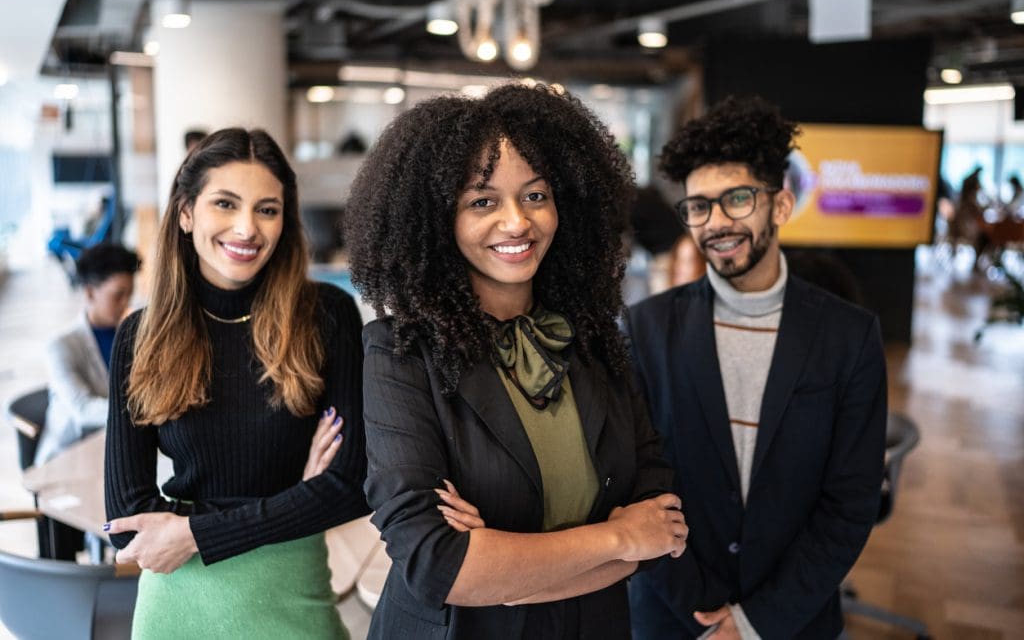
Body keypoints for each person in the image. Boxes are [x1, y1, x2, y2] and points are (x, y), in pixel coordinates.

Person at [346, 82, 687, 639]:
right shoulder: (400, 351)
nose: (517, 222)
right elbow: (437, 564)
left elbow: (662, 522)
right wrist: (616, 538)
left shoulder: (594, 339)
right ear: (437, 221)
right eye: (483, 202)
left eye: (535, 195)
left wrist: (504, 570)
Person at [626, 96, 887, 640]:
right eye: (698, 206)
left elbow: (851, 501)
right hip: (673, 616)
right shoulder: (647, 329)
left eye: (737, 199)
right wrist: (705, 615)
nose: (716, 222)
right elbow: (633, 487)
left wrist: (752, 623)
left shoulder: (848, 336)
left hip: (793, 616)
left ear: (781, 205)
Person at [103, 128, 369, 638]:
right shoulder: (142, 335)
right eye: (225, 204)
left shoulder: (326, 316)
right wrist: (298, 498)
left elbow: (353, 487)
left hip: (291, 594)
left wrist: (193, 531)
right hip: (176, 606)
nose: (247, 228)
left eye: (267, 209)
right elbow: (127, 523)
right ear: (186, 213)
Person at [37, 243, 140, 467]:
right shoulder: (60, 347)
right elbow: (82, 409)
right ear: (90, 292)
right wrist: (143, 412)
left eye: (129, 295)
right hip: (67, 457)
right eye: (118, 295)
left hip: (114, 450)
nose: (126, 304)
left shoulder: (133, 337)